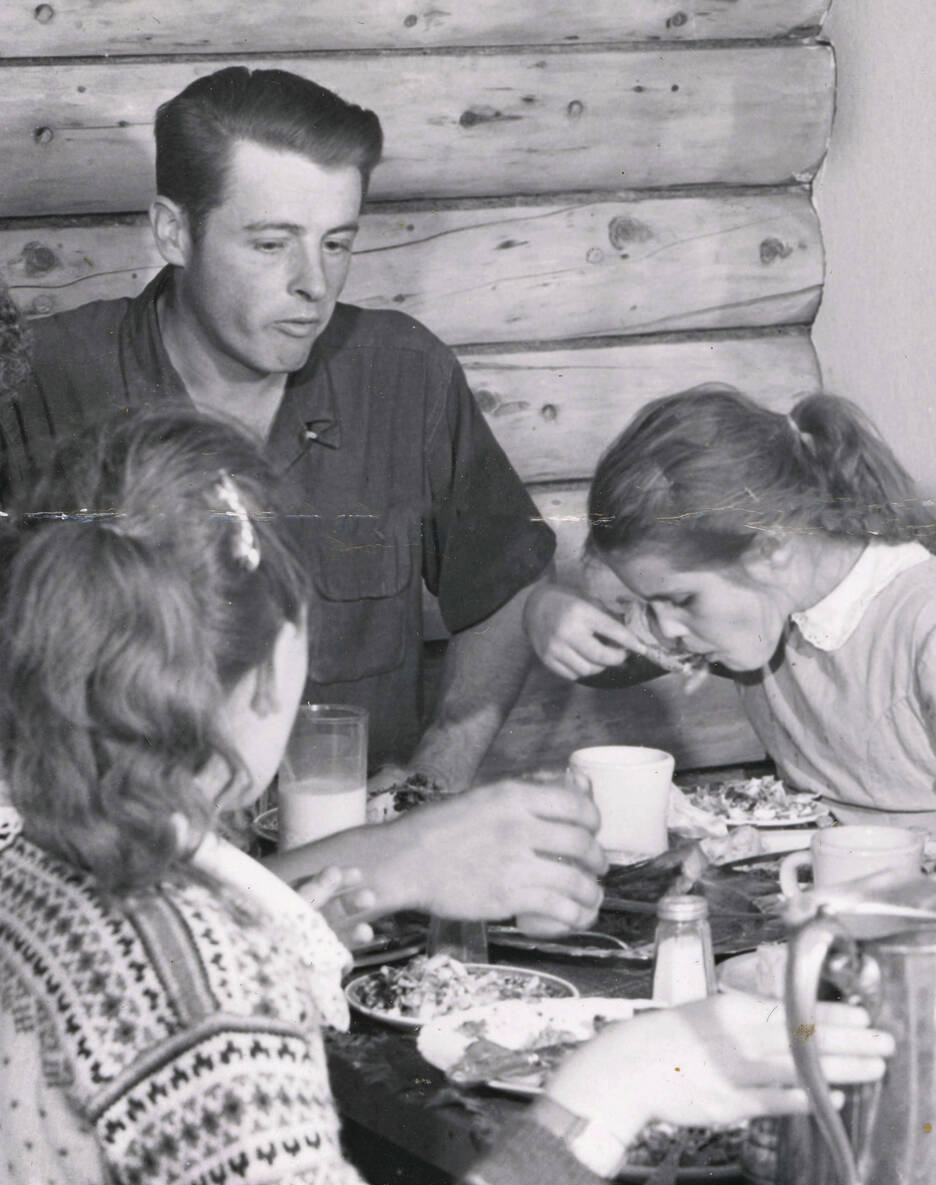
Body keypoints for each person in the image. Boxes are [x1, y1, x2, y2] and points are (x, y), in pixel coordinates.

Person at [0, 409, 892, 1185]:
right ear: (272, 677)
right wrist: (619, 1079)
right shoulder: (201, 981)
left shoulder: (31, 863)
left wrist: (316, 904)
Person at [0, 66, 604, 929]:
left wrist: (438, 778)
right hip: (133, 914)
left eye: (338, 241)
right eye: (272, 242)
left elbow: (506, 588)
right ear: (174, 231)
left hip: (377, 900)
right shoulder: (46, 382)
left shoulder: (403, 371)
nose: (313, 285)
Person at [524, 384, 936, 900]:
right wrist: (544, 610)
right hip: (863, 909)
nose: (665, 629)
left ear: (772, 548)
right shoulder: (764, 607)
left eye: (679, 601)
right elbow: (610, 661)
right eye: (647, 605)